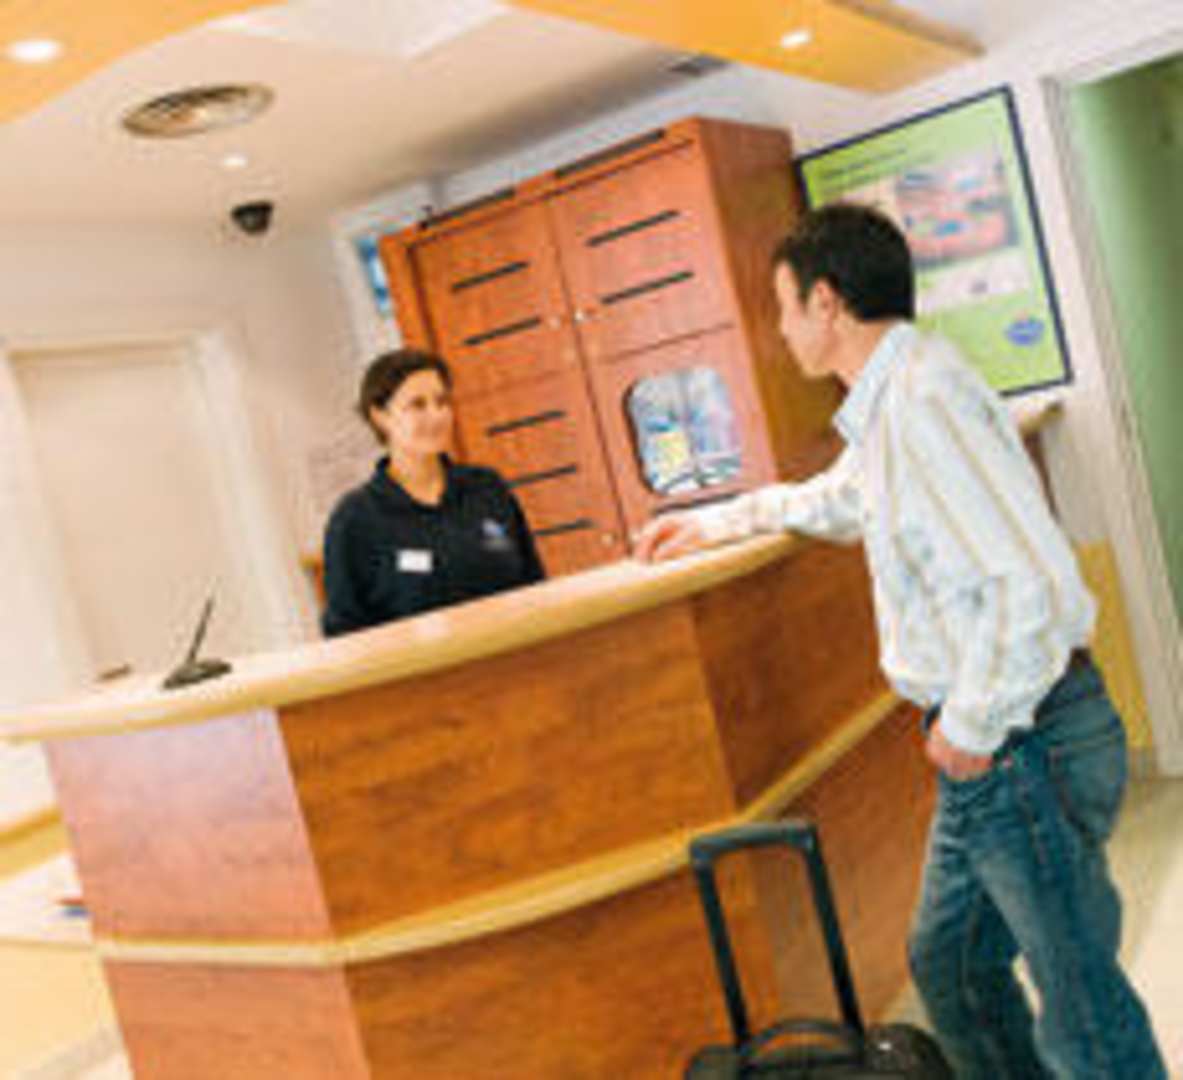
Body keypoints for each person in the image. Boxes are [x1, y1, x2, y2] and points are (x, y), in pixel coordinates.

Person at [635, 204, 1165, 1079]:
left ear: (827, 302)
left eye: (784, 307)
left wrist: (971, 725)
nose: (780, 330)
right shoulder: (895, 403)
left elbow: (1029, 585)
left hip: (1017, 743)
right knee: (950, 970)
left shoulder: (920, 402)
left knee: (1084, 1018)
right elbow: (840, 499)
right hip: (997, 752)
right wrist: (719, 520)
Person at [321, 348, 544, 637]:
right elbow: (344, 633)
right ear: (380, 416)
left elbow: (533, 585)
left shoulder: (487, 488)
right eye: (418, 405)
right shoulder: (355, 520)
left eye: (442, 402)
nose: (436, 415)